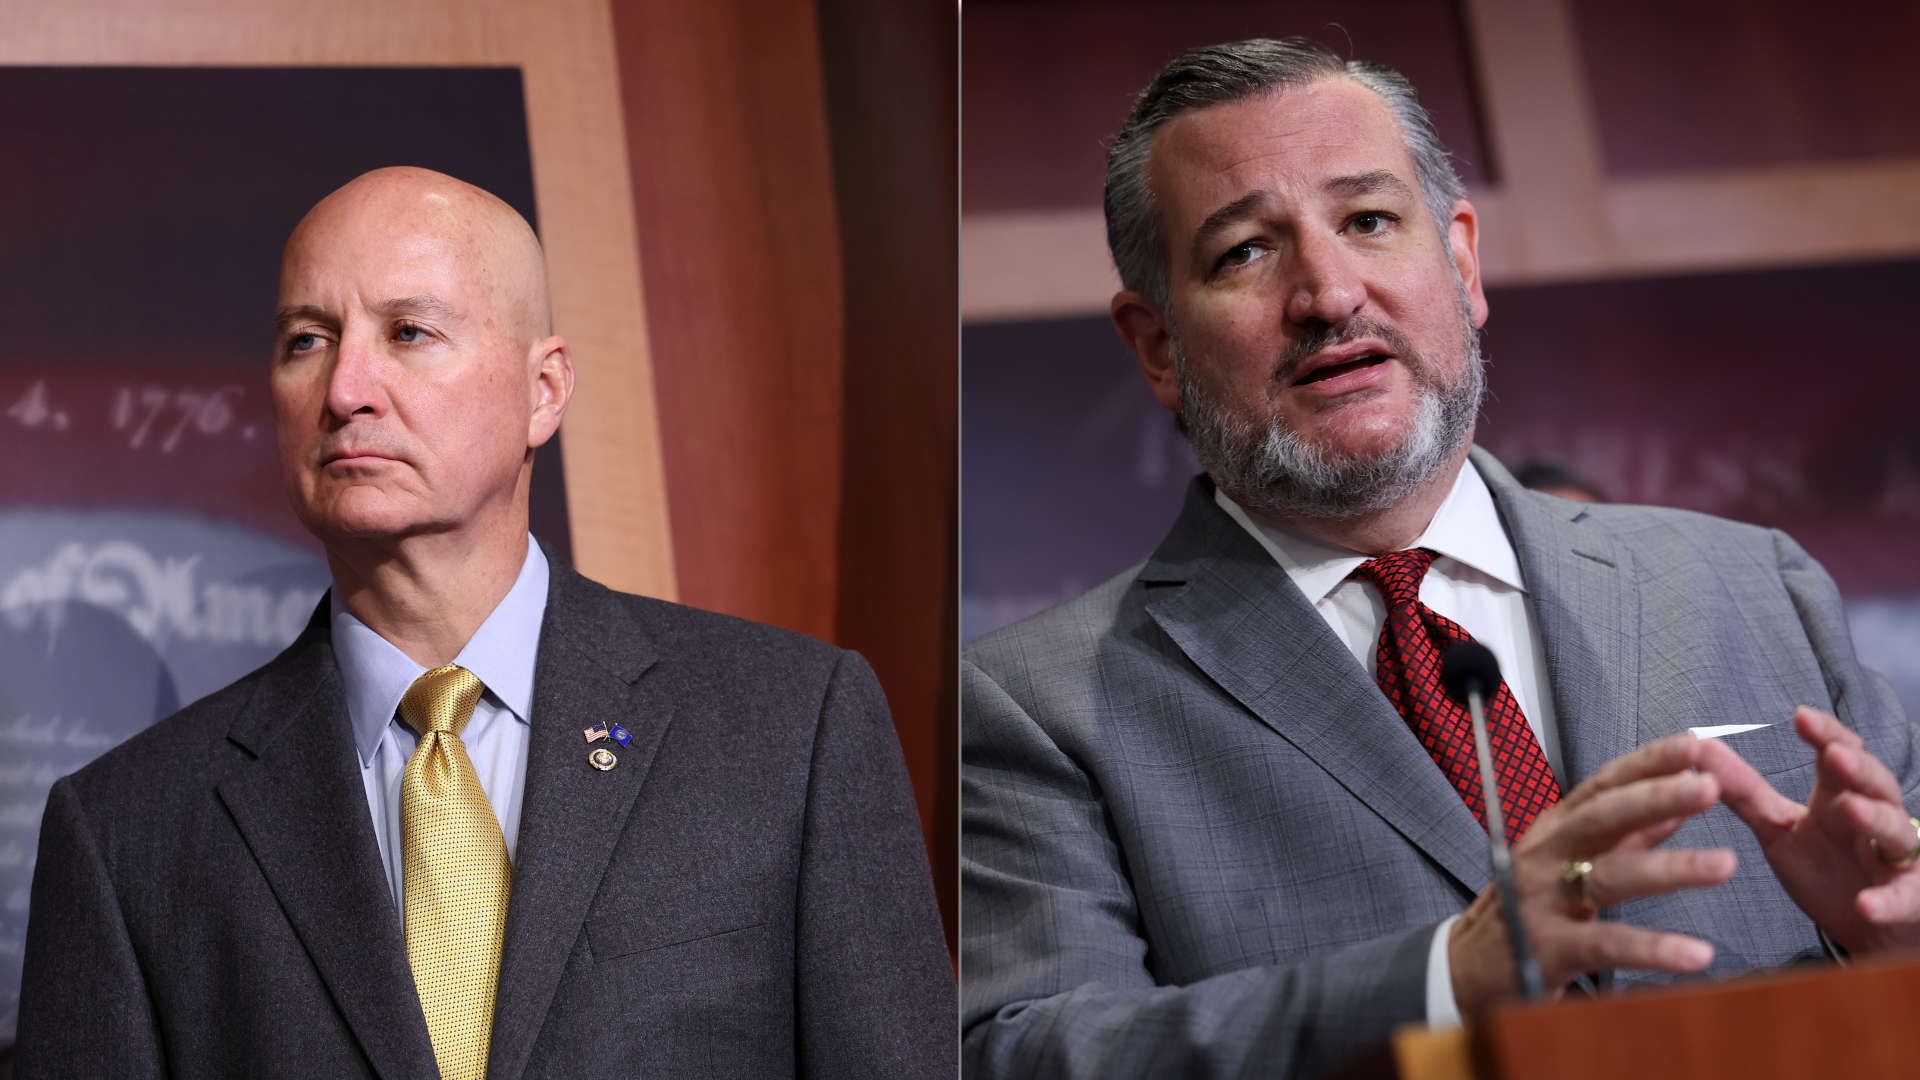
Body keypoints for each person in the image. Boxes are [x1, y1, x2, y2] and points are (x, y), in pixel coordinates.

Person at [961, 39, 1920, 1078]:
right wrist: (1444, 980)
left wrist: (1887, 947)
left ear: (1461, 263)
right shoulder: (1035, 706)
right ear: (1157, 345)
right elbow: (1029, 1055)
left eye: (1369, 221)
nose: (1329, 294)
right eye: (1244, 251)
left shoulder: (1756, 585)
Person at [16, 167, 954, 1079]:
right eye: (307, 340)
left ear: (544, 390)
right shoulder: (126, 834)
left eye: (409, 332)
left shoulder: (790, 731)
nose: (345, 389)